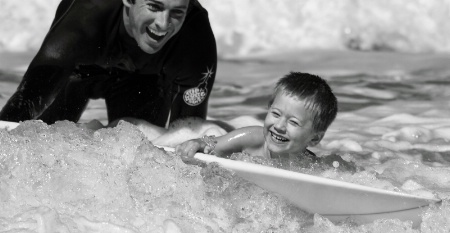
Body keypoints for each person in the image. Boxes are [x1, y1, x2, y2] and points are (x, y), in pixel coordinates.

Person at [0, 0, 217, 129]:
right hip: (77, 70)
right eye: (153, 6)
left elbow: (187, 131)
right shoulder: (86, 19)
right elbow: (22, 106)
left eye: (177, 12)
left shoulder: (195, 41)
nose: (163, 24)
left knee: (139, 154)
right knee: (42, 133)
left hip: (144, 81)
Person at [175, 72, 338, 159]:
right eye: (275, 114)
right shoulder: (253, 139)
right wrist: (195, 143)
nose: (279, 126)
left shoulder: (311, 166)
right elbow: (210, 144)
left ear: (315, 139)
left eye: (293, 122)